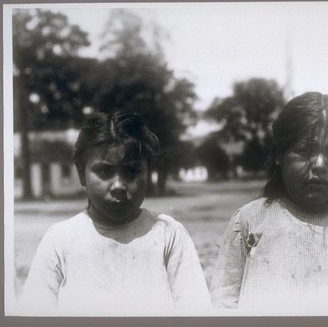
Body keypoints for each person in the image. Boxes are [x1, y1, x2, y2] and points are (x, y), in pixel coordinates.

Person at [210, 92, 328, 314]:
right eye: (305, 151)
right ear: (279, 156)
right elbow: (223, 306)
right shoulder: (249, 220)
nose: (320, 165)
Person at [19, 111, 211, 315]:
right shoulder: (60, 240)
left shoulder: (168, 234)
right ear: (81, 174)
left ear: (148, 173)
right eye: (104, 171)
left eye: (131, 171)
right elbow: (33, 316)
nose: (119, 185)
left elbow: (195, 312)